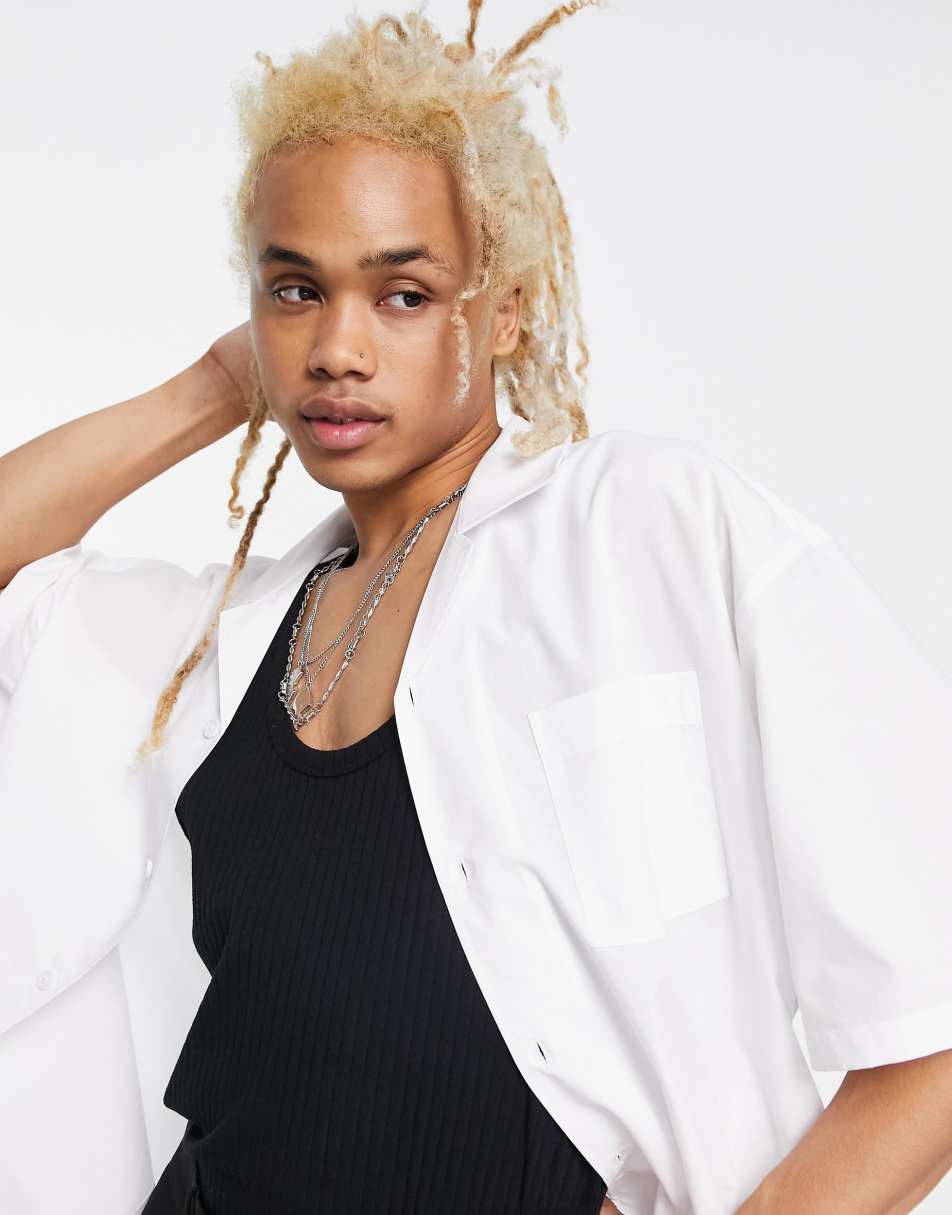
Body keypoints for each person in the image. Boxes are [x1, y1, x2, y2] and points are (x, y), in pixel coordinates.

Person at [3, 3, 952, 1215]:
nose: (339, 349)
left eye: (403, 294)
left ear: (502, 308)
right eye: (296, 289)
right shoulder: (228, 641)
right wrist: (217, 385)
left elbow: (929, 1025)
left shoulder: (647, 535)